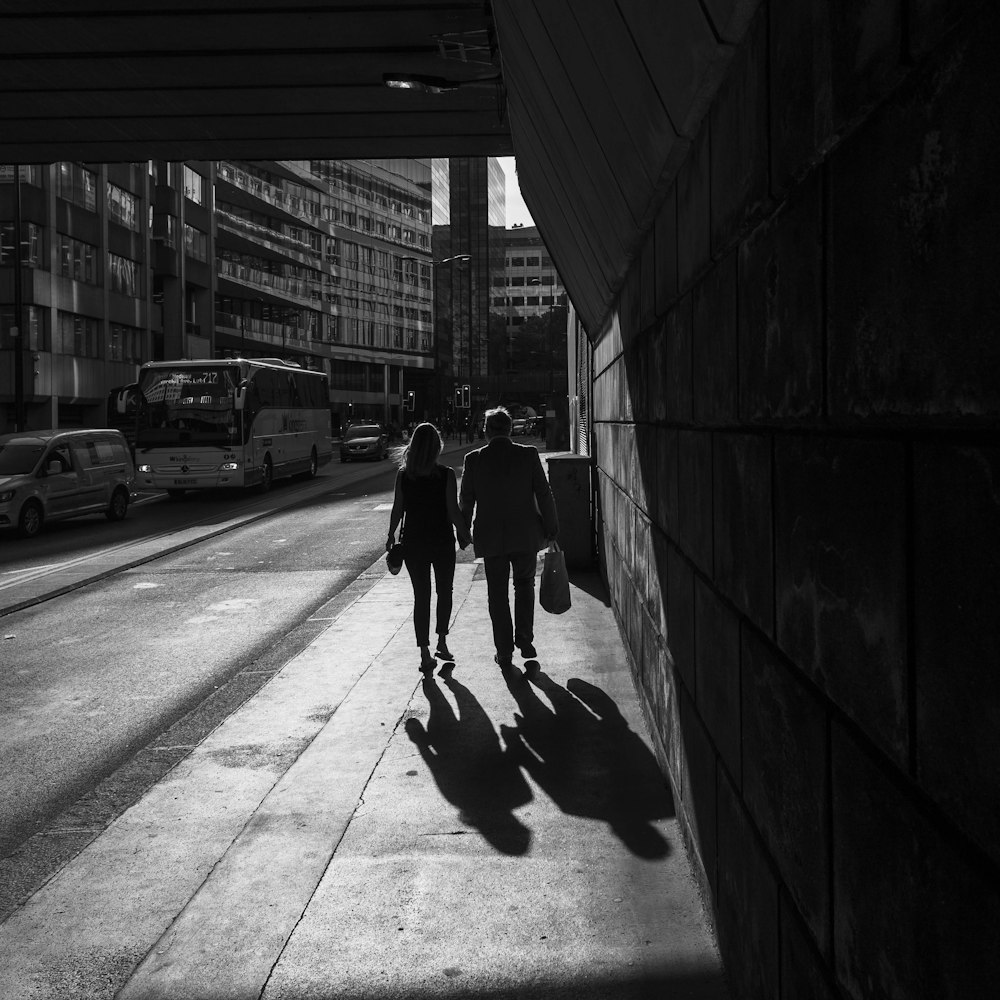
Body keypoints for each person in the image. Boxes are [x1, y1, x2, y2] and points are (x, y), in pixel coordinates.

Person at [459, 405, 559, 669]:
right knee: (524, 585)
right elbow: (544, 492)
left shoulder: (474, 459)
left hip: (491, 537)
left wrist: (462, 531)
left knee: (497, 594)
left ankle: (504, 651)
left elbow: (466, 499)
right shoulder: (528, 455)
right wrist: (552, 526)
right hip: (525, 534)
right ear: (509, 428)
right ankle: (524, 639)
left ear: (487, 431)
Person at [387, 422, 471, 671]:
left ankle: (424, 652)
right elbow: (453, 510)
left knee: (420, 597)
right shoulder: (445, 474)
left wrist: (391, 534)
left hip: (414, 542)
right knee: (445, 591)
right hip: (442, 541)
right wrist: (466, 533)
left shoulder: (404, 475)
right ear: (436, 447)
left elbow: (397, 508)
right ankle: (442, 642)